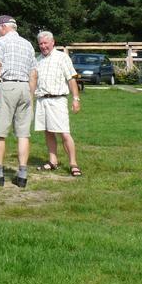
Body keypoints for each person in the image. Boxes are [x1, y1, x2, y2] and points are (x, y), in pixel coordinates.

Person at [0, 14, 36, 188]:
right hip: (25, 88)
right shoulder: (28, 44)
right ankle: (22, 175)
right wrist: (30, 96)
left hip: (8, 87)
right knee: (23, 134)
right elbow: (33, 73)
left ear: (3, 26)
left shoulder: (2, 42)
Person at [32, 31, 82, 177]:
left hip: (58, 100)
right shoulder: (38, 60)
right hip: (42, 100)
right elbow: (33, 81)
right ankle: (53, 161)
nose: (43, 46)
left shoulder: (62, 57)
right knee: (48, 131)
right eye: (40, 44)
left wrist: (76, 98)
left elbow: (71, 79)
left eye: (45, 43)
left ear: (52, 42)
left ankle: (73, 164)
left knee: (64, 133)